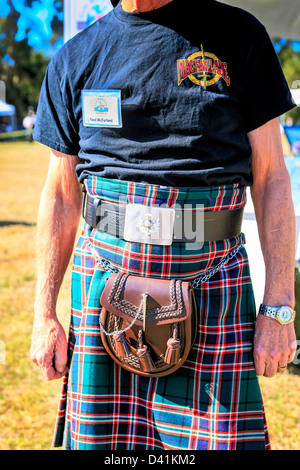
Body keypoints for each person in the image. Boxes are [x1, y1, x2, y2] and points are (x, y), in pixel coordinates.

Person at [30, 0, 297, 451]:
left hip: (213, 279)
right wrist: (43, 314)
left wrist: (278, 308)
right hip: (103, 283)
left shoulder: (239, 37)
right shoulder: (76, 57)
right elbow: (59, 194)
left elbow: (272, 178)